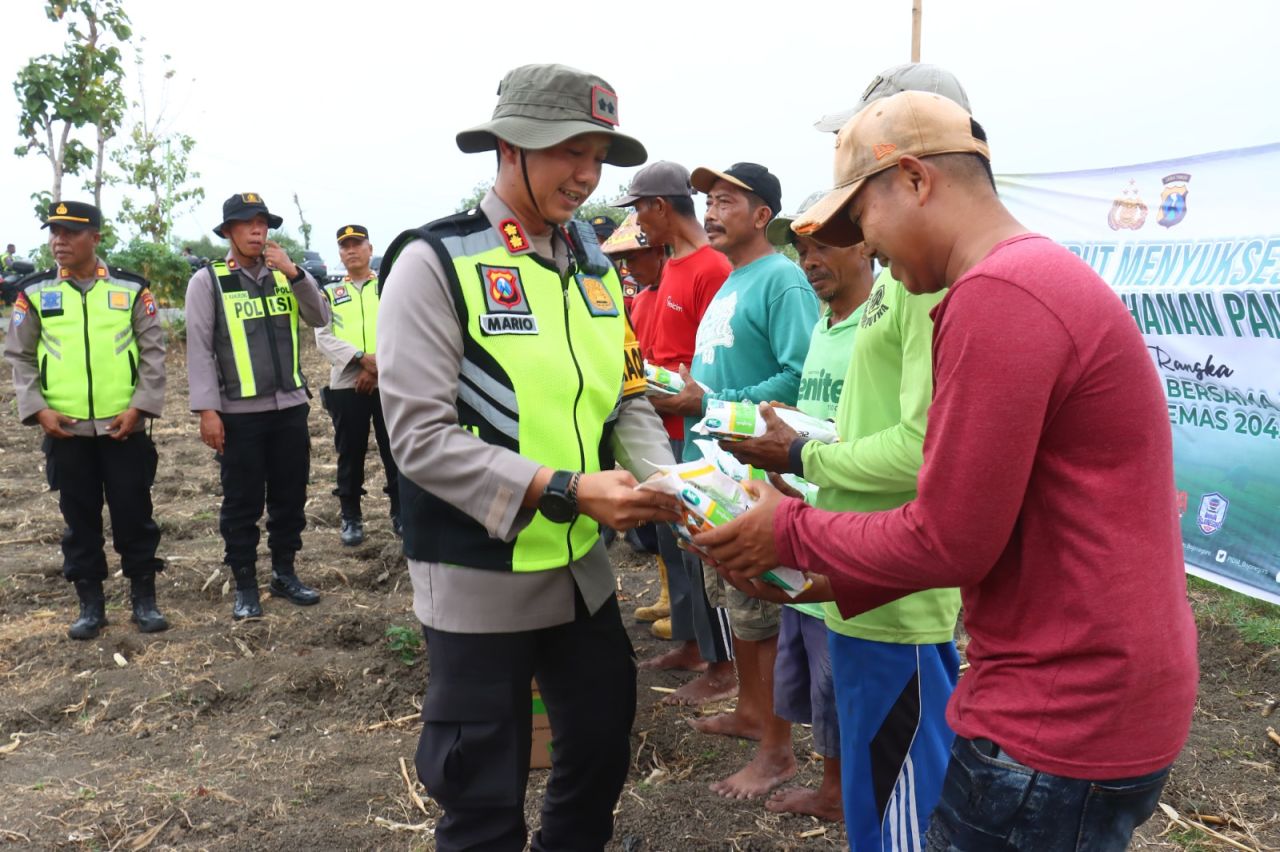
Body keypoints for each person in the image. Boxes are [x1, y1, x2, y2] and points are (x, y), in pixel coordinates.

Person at [699, 91, 1199, 850]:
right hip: (1096, 691)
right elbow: (990, 525)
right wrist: (836, 578)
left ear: (914, 180)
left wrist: (789, 530)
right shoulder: (1025, 279)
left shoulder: (995, 293)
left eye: (862, 220)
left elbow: (950, 539)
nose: (868, 249)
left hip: (1057, 710)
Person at [376, 63, 681, 852]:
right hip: (480, 570)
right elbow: (419, 439)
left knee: (602, 744)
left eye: (598, 156)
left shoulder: (591, 261)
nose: (586, 175)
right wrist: (568, 490)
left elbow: (626, 396)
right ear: (507, 148)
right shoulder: (435, 261)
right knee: (481, 791)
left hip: (579, 569)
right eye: (566, 151)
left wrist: (673, 487)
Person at [660, 161, 819, 799]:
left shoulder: (781, 281)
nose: (712, 210)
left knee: (766, 609)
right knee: (744, 609)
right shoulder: (732, 279)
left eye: (727, 200)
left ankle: (778, 751)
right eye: (708, 200)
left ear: (763, 216)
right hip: (723, 465)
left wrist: (709, 401)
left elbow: (798, 377)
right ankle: (754, 714)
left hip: (759, 474)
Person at [4, 201, 168, 639]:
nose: (59, 241)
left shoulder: (131, 289)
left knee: (135, 513)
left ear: (95, 237)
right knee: (79, 518)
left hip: (123, 427)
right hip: (67, 429)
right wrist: (38, 408)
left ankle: (144, 598)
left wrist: (141, 407)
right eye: (54, 232)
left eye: (70, 233)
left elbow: (153, 352)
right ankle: (91, 604)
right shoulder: (33, 292)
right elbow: (18, 356)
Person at [611, 160, 737, 698]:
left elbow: (716, 356)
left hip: (692, 427)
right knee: (672, 539)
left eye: (640, 208)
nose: (638, 221)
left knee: (700, 542)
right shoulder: (669, 272)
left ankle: (723, 664)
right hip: (659, 428)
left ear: (661, 207)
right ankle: (690, 642)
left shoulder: (712, 268)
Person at [185, 193, 330, 620]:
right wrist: (207, 411)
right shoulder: (208, 281)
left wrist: (296, 272)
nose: (257, 231)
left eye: (263, 223)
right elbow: (199, 352)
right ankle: (245, 584)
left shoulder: (286, 274)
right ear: (228, 231)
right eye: (248, 224)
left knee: (289, 498)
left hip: (289, 409)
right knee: (242, 503)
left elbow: (320, 317)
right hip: (238, 415)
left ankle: (284, 574)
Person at [314, 224, 401, 546]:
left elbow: (404, 330)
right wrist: (360, 359)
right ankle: (351, 517)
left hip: (389, 381)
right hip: (346, 384)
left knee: (395, 451)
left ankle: (400, 512)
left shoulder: (390, 287)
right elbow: (323, 338)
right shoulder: (329, 293)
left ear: (370, 248)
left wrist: (377, 368)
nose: (351, 250)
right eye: (344, 246)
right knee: (350, 453)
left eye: (356, 244)